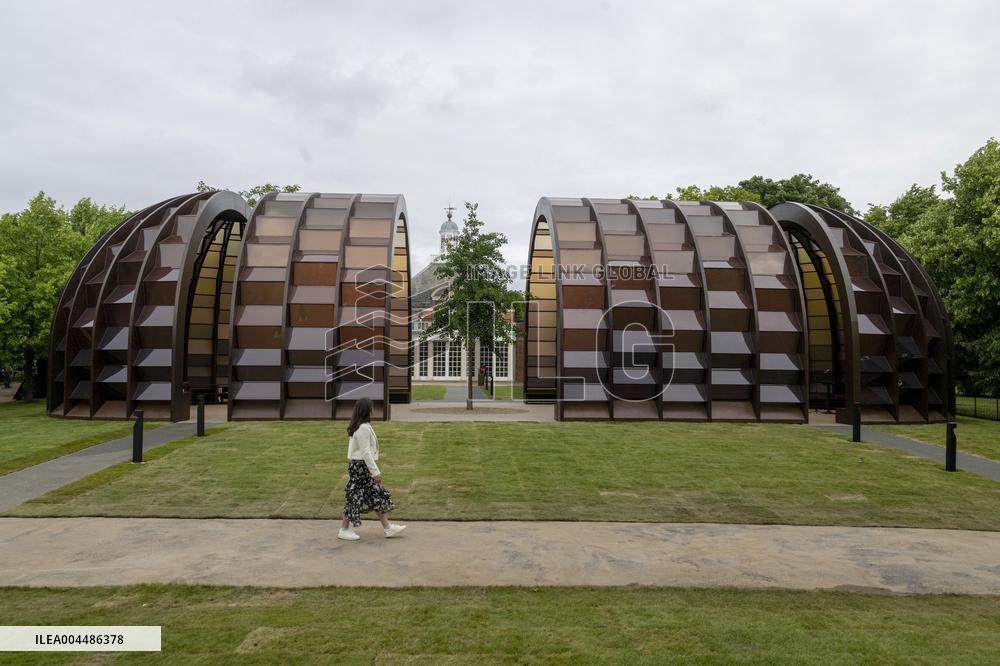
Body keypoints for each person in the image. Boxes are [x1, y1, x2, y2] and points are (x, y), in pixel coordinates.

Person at [338, 398, 406, 541]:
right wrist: (375, 472)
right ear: (367, 410)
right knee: (355, 497)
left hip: (360, 466)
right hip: (361, 467)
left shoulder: (362, 425)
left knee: (374, 495)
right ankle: (344, 529)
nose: (373, 410)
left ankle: (387, 527)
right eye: (371, 408)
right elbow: (365, 452)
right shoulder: (362, 428)